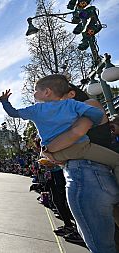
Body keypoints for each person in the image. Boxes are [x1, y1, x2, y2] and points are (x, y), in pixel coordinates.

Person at [39, 82, 119, 252]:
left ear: (71, 94)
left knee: (101, 247)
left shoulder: (88, 105)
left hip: (87, 176)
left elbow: (76, 134)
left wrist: (48, 150)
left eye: (53, 100)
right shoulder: (70, 114)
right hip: (95, 176)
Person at [0, 74, 119, 184]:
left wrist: (4, 101)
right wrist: (90, 124)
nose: (34, 94)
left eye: (35, 91)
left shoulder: (35, 110)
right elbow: (97, 114)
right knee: (117, 161)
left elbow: (12, 113)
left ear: (47, 92)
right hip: (79, 147)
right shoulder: (71, 104)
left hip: (53, 153)